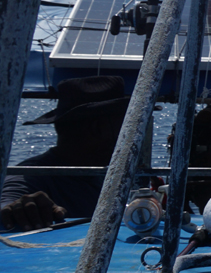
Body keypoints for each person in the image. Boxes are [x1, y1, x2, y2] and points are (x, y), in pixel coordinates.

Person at [1, 76, 129, 231]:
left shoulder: (101, 173)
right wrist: (19, 208)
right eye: (125, 126)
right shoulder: (31, 175)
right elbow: (8, 201)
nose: (130, 136)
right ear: (98, 127)